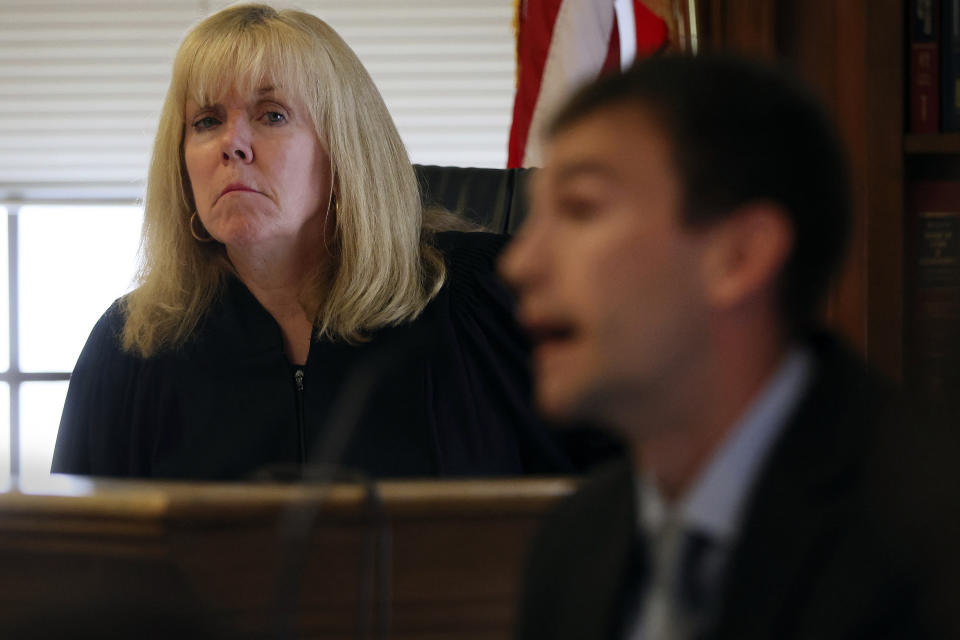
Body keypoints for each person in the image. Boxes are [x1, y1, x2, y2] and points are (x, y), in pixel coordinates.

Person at [501, 55, 960, 639]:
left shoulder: (931, 533)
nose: (519, 264)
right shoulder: (572, 543)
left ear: (739, 257)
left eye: (582, 208)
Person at [51, 3, 574, 480]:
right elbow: (77, 563)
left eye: (271, 114)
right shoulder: (131, 346)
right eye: (206, 121)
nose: (232, 144)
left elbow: (618, 511)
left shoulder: (492, 301)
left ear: (345, 148)